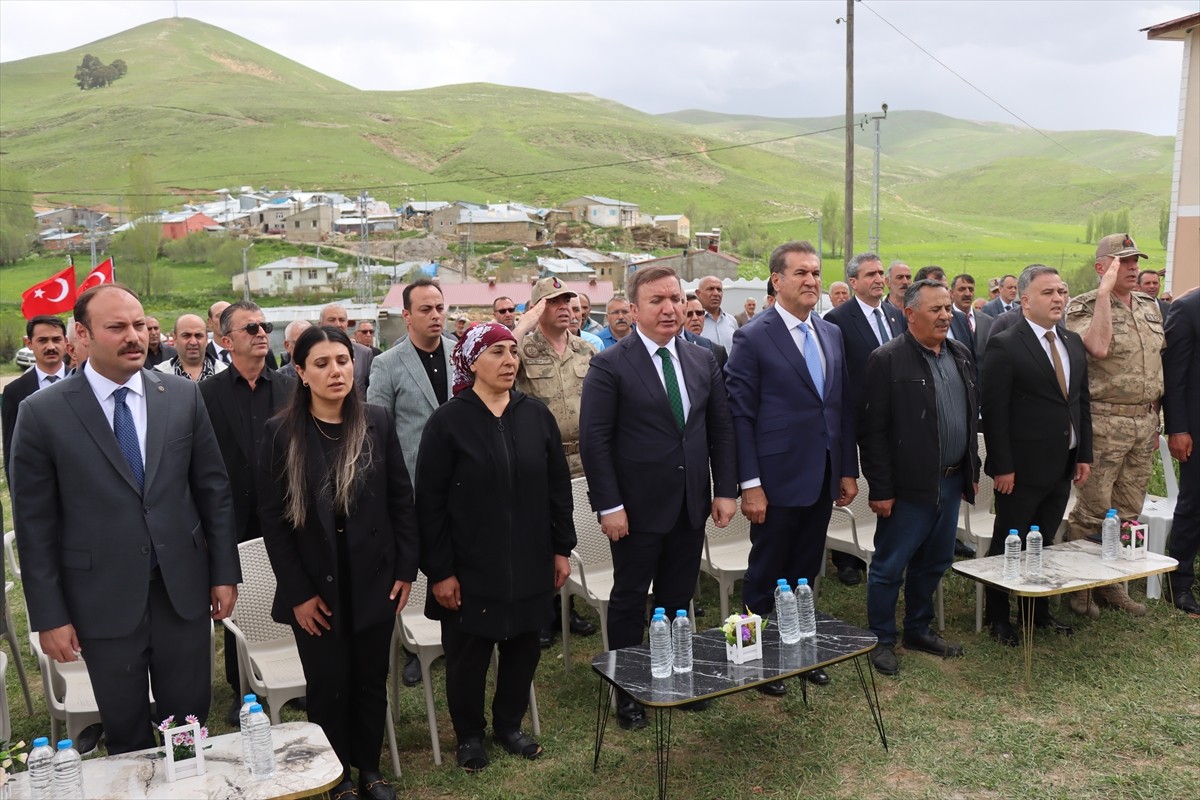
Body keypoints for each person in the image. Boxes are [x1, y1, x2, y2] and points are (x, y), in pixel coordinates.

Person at [12, 284, 240, 754]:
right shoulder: (40, 414)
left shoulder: (181, 397)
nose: (134, 336)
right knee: (127, 731)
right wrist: (49, 615)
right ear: (82, 334)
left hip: (181, 589)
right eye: (117, 327)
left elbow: (212, 489)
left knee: (190, 725)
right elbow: (34, 525)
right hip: (101, 598)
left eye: (139, 324)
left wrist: (223, 572)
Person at [257, 325, 417, 800]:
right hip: (316, 586)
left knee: (370, 680)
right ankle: (337, 776)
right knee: (328, 685)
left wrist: (406, 570)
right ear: (301, 373)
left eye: (343, 361)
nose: (335, 371)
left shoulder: (377, 421)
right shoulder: (281, 432)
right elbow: (274, 522)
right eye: (322, 363)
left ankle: (369, 768)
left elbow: (401, 501)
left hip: (373, 578)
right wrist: (299, 593)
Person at [581, 264, 737, 730]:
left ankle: (676, 675)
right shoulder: (609, 364)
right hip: (635, 510)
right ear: (633, 310)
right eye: (657, 301)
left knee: (677, 596)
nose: (669, 308)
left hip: (690, 503)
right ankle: (628, 690)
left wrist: (725, 490)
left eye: (675, 298)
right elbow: (595, 441)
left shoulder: (701, 358)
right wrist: (610, 506)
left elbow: (720, 431)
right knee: (630, 600)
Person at [416, 322, 574, 771]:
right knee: (468, 657)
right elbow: (428, 504)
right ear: (470, 361)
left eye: (512, 351)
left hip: (529, 560)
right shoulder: (448, 422)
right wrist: (441, 571)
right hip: (469, 567)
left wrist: (560, 548)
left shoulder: (535, 415)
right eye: (496, 352)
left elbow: (558, 488)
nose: (509, 361)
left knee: (523, 647)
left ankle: (508, 725)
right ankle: (469, 736)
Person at [725, 241, 857, 693]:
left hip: (820, 474)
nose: (811, 281)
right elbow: (740, 415)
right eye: (800, 273)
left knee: (805, 571)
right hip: (775, 478)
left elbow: (838, 407)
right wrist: (751, 484)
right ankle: (750, 655)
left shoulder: (830, 333)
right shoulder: (753, 336)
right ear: (777, 281)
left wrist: (845, 470)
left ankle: (798, 650)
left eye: (816, 273)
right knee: (765, 571)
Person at [858, 279, 979, 676]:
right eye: (935, 310)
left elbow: (968, 413)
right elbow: (872, 432)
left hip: (949, 479)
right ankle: (881, 637)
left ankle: (918, 629)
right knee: (891, 564)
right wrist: (882, 489)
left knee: (935, 560)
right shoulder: (886, 359)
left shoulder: (959, 353)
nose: (945, 316)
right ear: (910, 314)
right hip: (908, 487)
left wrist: (969, 472)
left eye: (948, 309)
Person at [980, 265, 1093, 645]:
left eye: (1062, 291)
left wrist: (1084, 454)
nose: (1058, 298)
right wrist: (1002, 466)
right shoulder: (1006, 344)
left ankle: (1037, 612)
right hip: (1021, 469)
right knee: (1007, 542)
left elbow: (1080, 404)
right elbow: (994, 413)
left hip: (1061, 465)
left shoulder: (1072, 342)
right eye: (1048, 292)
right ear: (1025, 300)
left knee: (1044, 541)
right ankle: (998, 616)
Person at [200, 301, 297, 724]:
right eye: (250, 327)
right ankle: (242, 688)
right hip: (231, 517)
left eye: (265, 326)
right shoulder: (205, 394)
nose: (261, 333)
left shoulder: (293, 389)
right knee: (236, 602)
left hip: (287, 515)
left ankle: (293, 676)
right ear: (226, 341)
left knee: (289, 592)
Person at [1063, 233, 1165, 618]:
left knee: (1128, 511)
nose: (1134, 267)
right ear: (1102, 267)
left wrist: (1157, 421)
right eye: (1124, 261)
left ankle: (1112, 584)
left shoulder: (1149, 306)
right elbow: (1098, 348)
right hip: (1104, 422)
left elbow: (1156, 366)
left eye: (1136, 260)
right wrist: (1104, 295)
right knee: (1092, 509)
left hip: (1144, 421)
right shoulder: (1083, 306)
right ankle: (1081, 589)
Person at [367, 278, 457, 686]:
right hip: (413, 484)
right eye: (425, 309)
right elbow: (376, 429)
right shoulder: (387, 364)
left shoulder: (461, 354)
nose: (436, 315)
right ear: (406, 316)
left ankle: (459, 630)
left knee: (456, 558)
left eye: (440, 307)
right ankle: (412, 646)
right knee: (413, 563)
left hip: (463, 481)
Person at [513, 276, 598, 644]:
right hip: (544, 460)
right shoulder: (521, 350)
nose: (565, 307)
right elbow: (485, 358)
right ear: (537, 309)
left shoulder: (585, 350)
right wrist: (522, 326)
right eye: (554, 301)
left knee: (575, 532)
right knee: (544, 537)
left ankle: (570, 607)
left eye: (568, 301)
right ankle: (543, 613)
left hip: (584, 458)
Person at [823, 252, 904, 585]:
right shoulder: (837, 319)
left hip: (896, 420)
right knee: (851, 486)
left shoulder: (895, 316)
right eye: (870, 274)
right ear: (853, 282)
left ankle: (890, 549)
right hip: (855, 418)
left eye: (881, 273)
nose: (878, 279)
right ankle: (845, 558)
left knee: (887, 487)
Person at [1162, 287, 1200, 615]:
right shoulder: (1187, 308)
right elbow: (1173, 378)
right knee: (1194, 504)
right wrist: (1177, 428)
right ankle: (1179, 582)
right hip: (1196, 430)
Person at [3, 315, 67, 484]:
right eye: (42, 340)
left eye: (56, 339)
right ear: (29, 343)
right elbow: (12, 451)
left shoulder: (85, 383)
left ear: (66, 342)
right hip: (38, 481)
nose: (51, 346)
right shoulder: (14, 392)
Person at [155, 314, 227, 382]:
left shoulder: (226, 373)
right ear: (175, 339)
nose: (193, 342)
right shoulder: (158, 375)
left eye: (198, 336)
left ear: (206, 339)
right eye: (186, 335)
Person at [320, 303, 374, 392]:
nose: (337, 324)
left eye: (342, 320)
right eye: (331, 320)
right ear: (320, 324)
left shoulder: (364, 353)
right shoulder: (311, 352)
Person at [949, 273, 993, 369]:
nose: (967, 293)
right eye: (962, 289)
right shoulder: (946, 319)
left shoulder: (988, 321)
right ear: (951, 293)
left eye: (971, 289)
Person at [683, 295, 728, 369]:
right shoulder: (672, 349)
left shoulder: (717, 351)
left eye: (699, 313)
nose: (695, 318)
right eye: (689, 314)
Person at [697, 275, 737, 351]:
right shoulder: (693, 321)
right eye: (710, 289)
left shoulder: (731, 320)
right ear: (698, 293)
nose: (716, 293)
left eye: (719, 289)